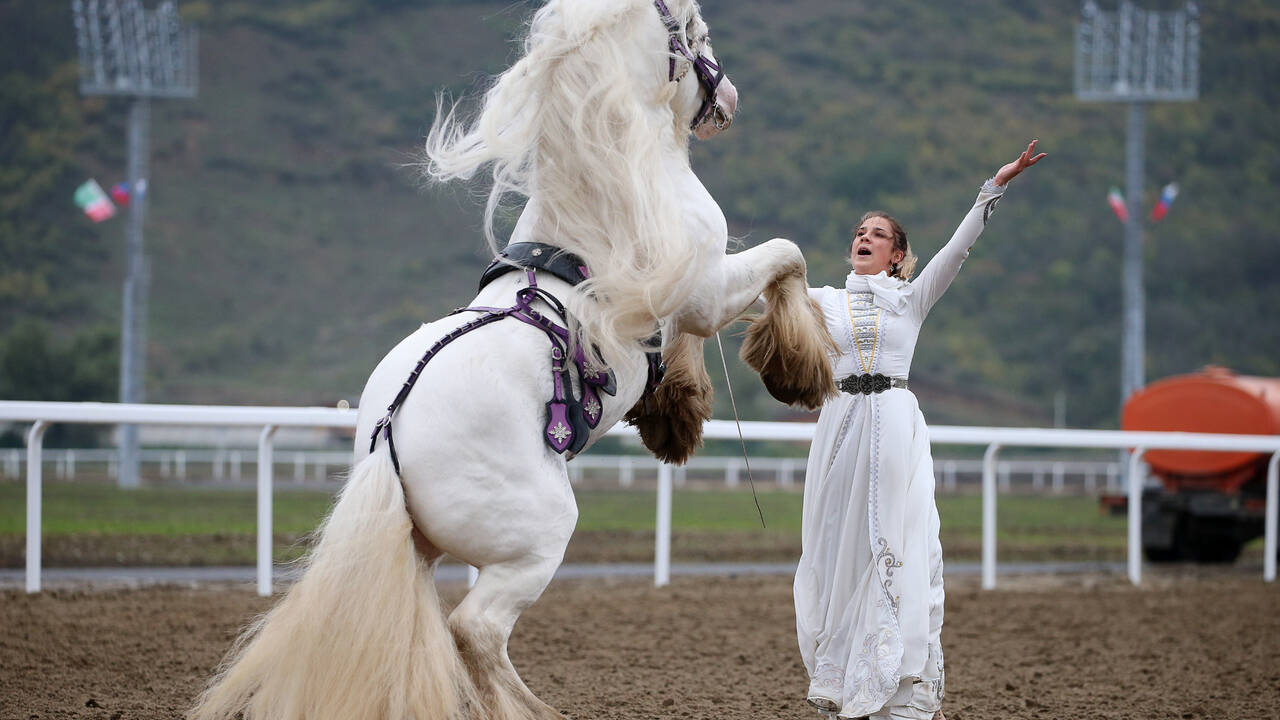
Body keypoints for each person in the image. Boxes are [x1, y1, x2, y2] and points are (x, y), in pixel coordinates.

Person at [793, 141, 1045, 720]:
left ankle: (903, 688)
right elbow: (758, 293)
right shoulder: (822, 301)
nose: (864, 236)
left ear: (897, 254)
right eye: (860, 230)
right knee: (837, 551)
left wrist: (995, 186)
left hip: (894, 427)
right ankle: (843, 680)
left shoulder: (912, 298)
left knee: (898, 544)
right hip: (838, 429)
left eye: (877, 233)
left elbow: (959, 250)